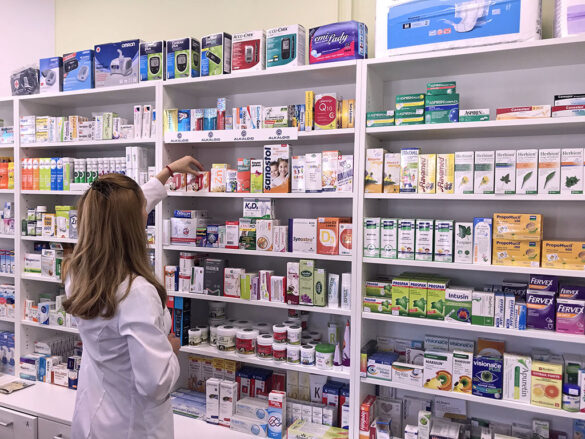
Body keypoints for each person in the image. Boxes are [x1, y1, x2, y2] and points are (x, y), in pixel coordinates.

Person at [62, 156, 204, 439]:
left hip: (94, 416)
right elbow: (156, 383)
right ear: (132, 225)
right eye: (142, 211)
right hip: (132, 426)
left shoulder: (76, 272)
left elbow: (115, 214)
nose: (145, 213)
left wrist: (167, 173)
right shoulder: (135, 292)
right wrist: (170, 349)